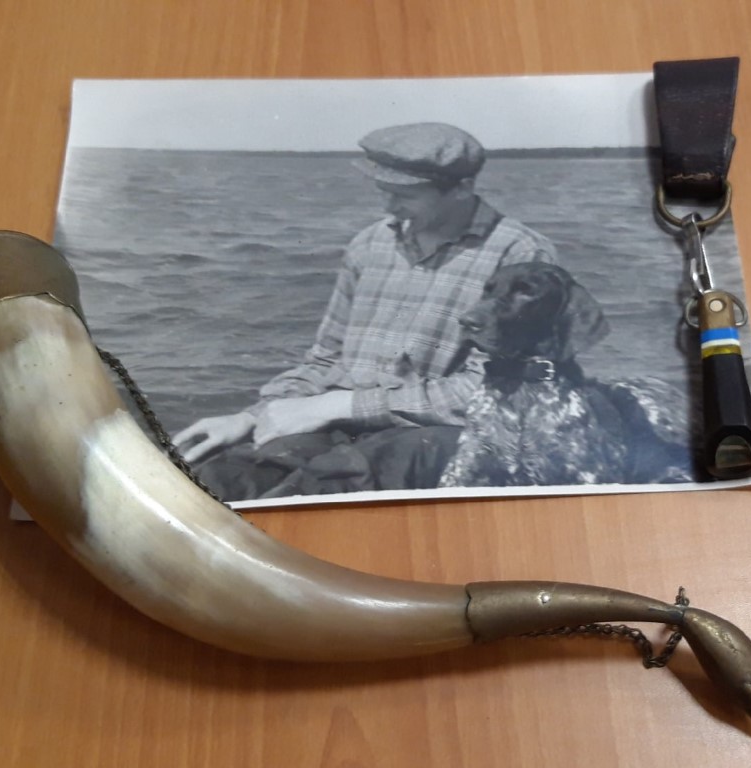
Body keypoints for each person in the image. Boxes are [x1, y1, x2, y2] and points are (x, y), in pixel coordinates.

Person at [173, 122, 557, 499]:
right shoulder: (370, 245)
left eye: (404, 195)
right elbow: (327, 360)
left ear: (462, 188)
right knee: (216, 477)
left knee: (321, 487)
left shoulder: (521, 256)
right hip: (343, 426)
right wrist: (251, 417)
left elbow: (493, 390)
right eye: (382, 191)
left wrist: (337, 406)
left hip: (429, 438)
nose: (388, 206)